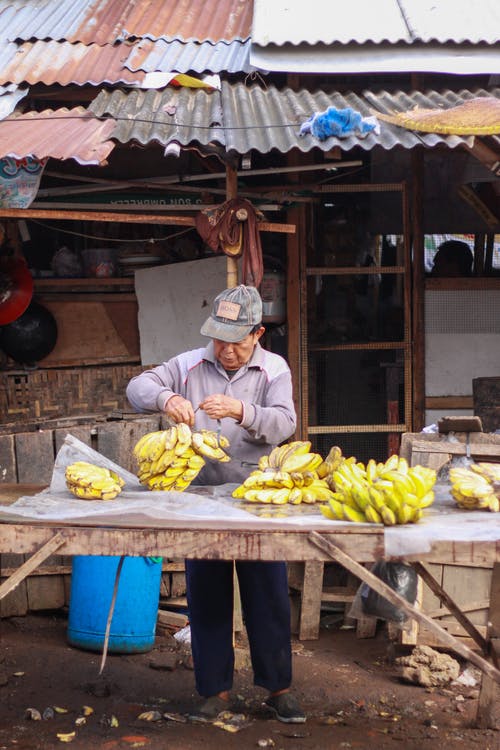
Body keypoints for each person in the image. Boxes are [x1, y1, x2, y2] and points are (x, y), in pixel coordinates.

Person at [126, 284, 306, 724]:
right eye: (219, 339)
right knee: (207, 596)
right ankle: (214, 691)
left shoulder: (273, 370)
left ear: (258, 333)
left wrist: (242, 411)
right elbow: (138, 386)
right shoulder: (188, 364)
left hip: (256, 501)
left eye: (236, 341)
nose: (225, 350)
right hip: (200, 502)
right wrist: (166, 397)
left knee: (267, 597)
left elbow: (285, 422)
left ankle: (277, 688)